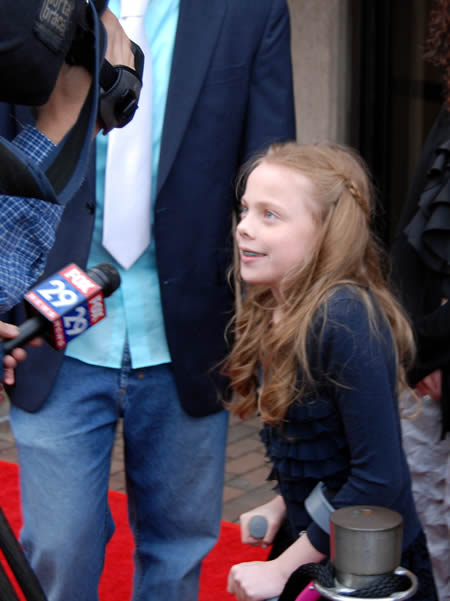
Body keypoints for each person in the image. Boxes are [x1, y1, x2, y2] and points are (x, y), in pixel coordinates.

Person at [3, 2, 296, 600]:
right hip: (50, 330)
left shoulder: (250, 11)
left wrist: (274, 329)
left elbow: (271, 167)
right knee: (57, 550)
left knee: (179, 552)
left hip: (189, 332)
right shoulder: (35, 6)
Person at [224, 142, 437, 601]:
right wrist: (286, 503)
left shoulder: (344, 318)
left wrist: (282, 568)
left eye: (270, 215)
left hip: (367, 568)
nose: (244, 227)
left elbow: (380, 481)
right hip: (324, 544)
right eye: (245, 210)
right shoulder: (274, 307)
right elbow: (331, 455)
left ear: (326, 232)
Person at [391, 2, 450, 598]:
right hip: (428, 381)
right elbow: (412, 233)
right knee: (430, 549)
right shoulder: (448, 113)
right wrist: (416, 349)